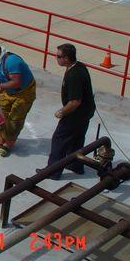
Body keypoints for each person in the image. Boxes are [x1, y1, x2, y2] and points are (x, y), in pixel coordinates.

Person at [39, 43, 95, 180]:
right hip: (86, 113)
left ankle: (53, 171)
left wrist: (62, 111)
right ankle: (75, 165)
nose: (56, 58)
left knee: (59, 139)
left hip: (75, 115)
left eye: (59, 56)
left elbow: (75, 101)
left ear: (67, 58)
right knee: (76, 139)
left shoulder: (73, 75)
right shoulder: (79, 66)